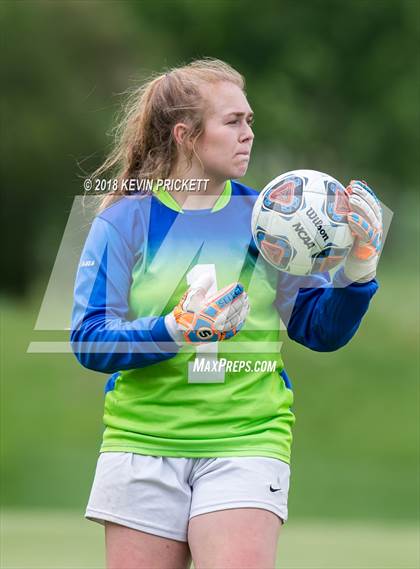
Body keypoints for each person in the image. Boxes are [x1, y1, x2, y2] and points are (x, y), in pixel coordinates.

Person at [70, 58, 382, 569]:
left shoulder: (271, 223)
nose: (248, 134)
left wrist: (359, 271)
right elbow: (90, 340)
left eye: (250, 121)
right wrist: (175, 329)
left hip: (248, 440)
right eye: (232, 121)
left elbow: (320, 330)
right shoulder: (125, 221)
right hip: (141, 443)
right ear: (186, 135)